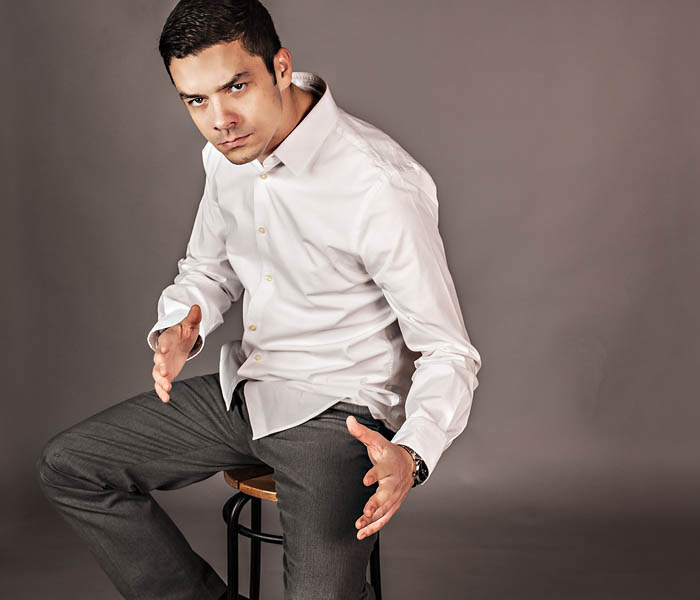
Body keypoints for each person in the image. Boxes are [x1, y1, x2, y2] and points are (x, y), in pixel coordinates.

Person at [35, 0, 482, 598]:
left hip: (339, 414)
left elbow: (449, 353)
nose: (220, 120)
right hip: (248, 391)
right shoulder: (228, 158)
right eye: (196, 101)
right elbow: (208, 269)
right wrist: (182, 324)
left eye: (236, 87)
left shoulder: (378, 185)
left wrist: (412, 455)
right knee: (71, 466)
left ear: (281, 67)